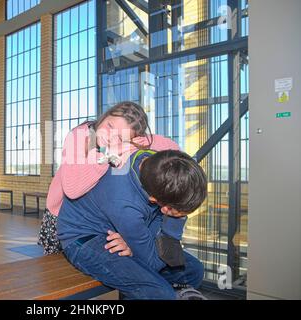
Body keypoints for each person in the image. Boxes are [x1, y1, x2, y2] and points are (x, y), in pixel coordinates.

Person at [57, 149, 208, 300]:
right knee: (158, 294)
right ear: (154, 199)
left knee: (194, 271)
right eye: (180, 212)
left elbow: (155, 224)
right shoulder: (124, 203)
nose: (182, 216)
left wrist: (133, 242)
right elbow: (152, 263)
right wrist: (175, 220)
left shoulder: (156, 165)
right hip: (83, 238)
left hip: (123, 225)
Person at [38, 102, 179, 255]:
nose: (109, 136)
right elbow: (72, 189)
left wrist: (144, 143)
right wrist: (108, 154)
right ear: (105, 116)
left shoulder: (131, 141)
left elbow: (175, 148)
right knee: (58, 270)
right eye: (110, 126)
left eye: (120, 136)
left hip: (97, 218)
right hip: (62, 217)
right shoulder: (81, 135)